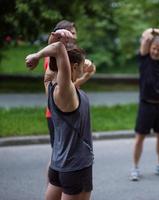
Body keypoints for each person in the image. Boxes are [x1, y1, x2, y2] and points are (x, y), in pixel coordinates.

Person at [26, 32, 94, 200]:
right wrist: (37, 55)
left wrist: (50, 41)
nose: (83, 67)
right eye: (81, 64)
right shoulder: (66, 92)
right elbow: (57, 49)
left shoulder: (50, 84)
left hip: (57, 165)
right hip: (75, 167)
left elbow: (53, 61)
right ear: (73, 67)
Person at [130, 28, 159, 181]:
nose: (156, 51)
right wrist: (152, 31)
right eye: (154, 48)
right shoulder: (144, 58)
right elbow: (145, 35)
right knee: (139, 137)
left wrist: (157, 31)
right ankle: (135, 168)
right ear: (149, 48)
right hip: (146, 105)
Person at [44, 20, 95, 148]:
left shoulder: (66, 57)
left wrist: (85, 72)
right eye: (71, 33)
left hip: (65, 106)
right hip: (61, 112)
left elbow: (70, 85)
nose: (75, 36)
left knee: (58, 154)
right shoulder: (55, 61)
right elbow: (65, 84)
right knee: (61, 150)